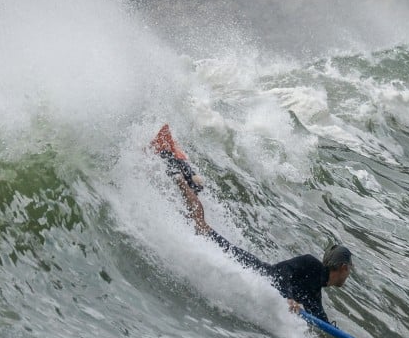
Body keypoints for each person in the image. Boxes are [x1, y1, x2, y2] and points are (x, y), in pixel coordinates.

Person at [150, 125, 353, 323]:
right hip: (254, 268)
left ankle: (177, 166)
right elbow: (282, 273)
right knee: (202, 228)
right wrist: (289, 298)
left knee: (199, 222)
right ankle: (172, 162)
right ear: (343, 267)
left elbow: (318, 316)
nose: (349, 273)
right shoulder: (312, 264)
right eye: (350, 269)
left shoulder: (315, 290)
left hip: (257, 272)